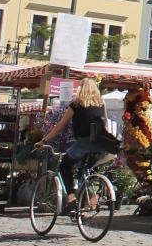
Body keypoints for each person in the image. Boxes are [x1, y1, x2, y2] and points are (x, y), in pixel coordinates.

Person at [35, 78, 119, 210]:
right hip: (102, 143)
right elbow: (105, 125)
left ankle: (71, 198)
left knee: (65, 166)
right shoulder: (101, 103)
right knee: (85, 171)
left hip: (83, 143)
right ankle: (86, 203)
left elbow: (60, 126)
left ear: (80, 89)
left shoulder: (76, 104)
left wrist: (44, 140)